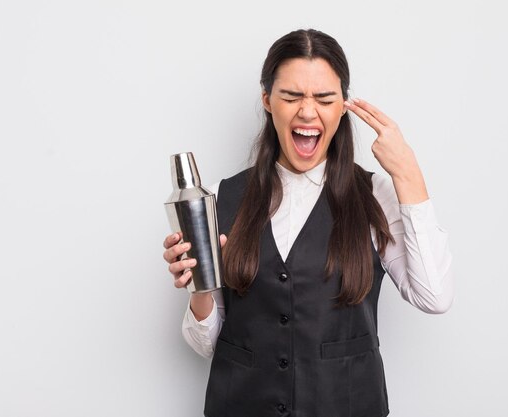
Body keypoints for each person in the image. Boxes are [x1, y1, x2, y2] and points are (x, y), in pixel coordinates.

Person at [162, 28, 454, 417]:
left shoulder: (376, 195)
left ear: (343, 106)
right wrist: (199, 286)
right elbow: (207, 344)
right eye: (291, 95)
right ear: (268, 100)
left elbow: (434, 296)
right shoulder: (219, 196)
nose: (307, 110)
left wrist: (407, 174)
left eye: (324, 98)